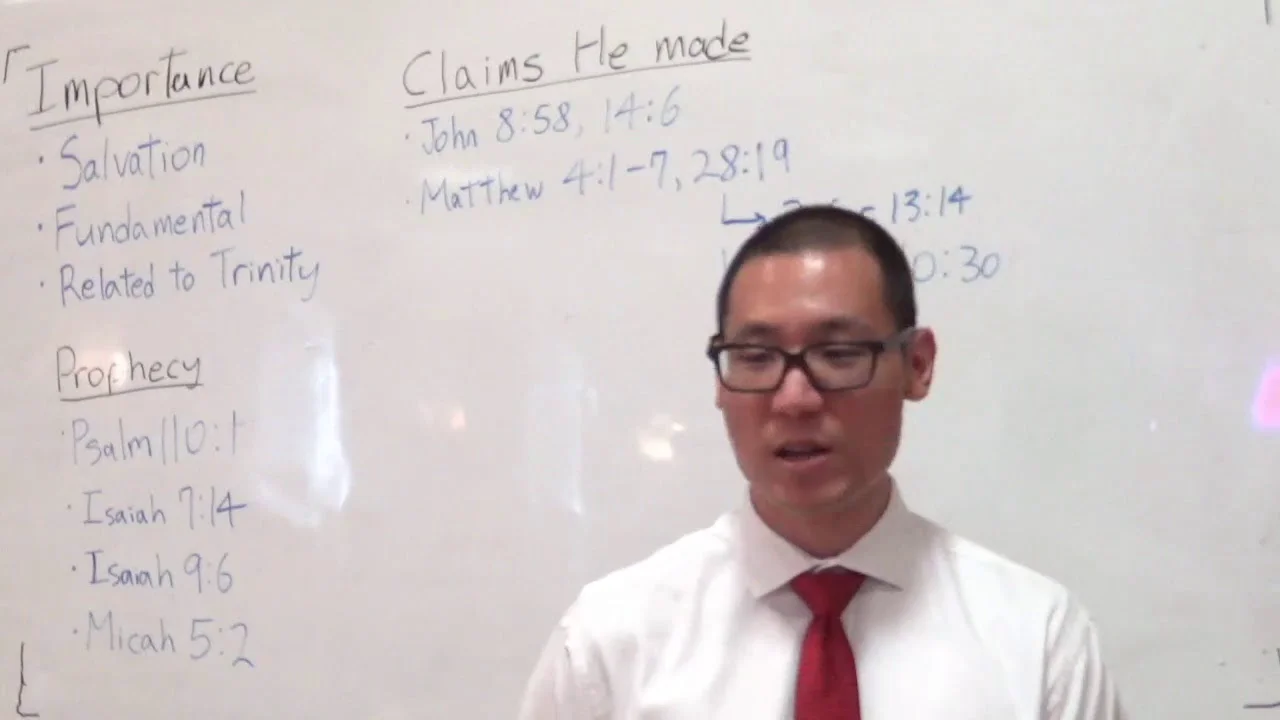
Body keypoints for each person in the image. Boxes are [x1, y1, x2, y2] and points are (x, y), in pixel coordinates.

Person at [516, 204, 1127, 719]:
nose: (794, 399)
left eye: (838, 353)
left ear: (917, 365)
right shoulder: (611, 645)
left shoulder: (1036, 640)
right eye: (755, 357)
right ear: (721, 380)